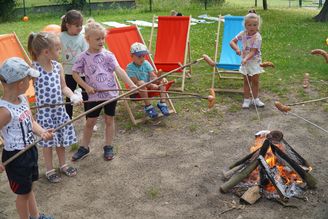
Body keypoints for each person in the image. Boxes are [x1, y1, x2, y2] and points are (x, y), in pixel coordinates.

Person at [71, 19, 137, 161]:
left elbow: (118, 70)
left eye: (103, 38)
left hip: (110, 94)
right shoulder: (83, 57)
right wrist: (86, 87)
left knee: (109, 120)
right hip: (94, 96)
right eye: (98, 39)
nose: (101, 41)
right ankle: (84, 147)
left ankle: (108, 146)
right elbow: (75, 73)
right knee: (90, 122)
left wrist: (131, 84)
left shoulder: (108, 55)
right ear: (88, 39)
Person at [0, 57, 54, 219]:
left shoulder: (23, 100)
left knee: (29, 188)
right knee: (22, 195)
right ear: (20, 84)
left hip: (30, 151)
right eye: (29, 79)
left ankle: (36, 216)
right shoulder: (4, 111)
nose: (31, 82)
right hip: (16, 158)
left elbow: (31, 122)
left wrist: (42, 132)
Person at [28, 32, 82, 183]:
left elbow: (64, 87)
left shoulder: (58, 67)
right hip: (45, 113)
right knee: (48, 143)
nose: (60, 52)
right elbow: (24, 85)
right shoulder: (34, 68)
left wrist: (72, 96)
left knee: (61, 140)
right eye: (58, 49)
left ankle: (63, 164)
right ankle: (49, 169)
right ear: (46, 52)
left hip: (59, 111)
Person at [230, 9, 265, 109]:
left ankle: (255, 99)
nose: (252, 27)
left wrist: (245, 58)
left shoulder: (258, 37)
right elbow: (232, 42)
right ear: (245, 25)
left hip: (255, 61)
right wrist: (237, 49)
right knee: (246, 81)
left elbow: (253, 52)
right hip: (245, 61)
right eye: (249, 25)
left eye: (254, 25)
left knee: (255, 81)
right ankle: (246, 99)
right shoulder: (243, 33)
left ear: (258, 25)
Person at [126, 42, 170, 119]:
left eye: (144, 56)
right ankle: (148, 106)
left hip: (149, 86)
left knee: (162, 79)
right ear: (132, 56)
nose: (142, 58)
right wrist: (150, 85)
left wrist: (159, 79)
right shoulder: (129, 68)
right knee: (141, 83)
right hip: (137, 90)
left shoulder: (146, 63)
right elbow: (135, 82)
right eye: (139, 56)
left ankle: (162, 103)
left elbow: (153, 76)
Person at [60, 10, 89, 119]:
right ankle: (69, 119)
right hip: (68, 72)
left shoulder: (82, 37)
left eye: (81, 25)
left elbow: (86, 53)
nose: (80, 27)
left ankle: (89, 118)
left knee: (86, 95)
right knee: (69, 96)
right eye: (77, 25)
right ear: (67, 25)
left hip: (82, 72)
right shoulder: (61, 36)